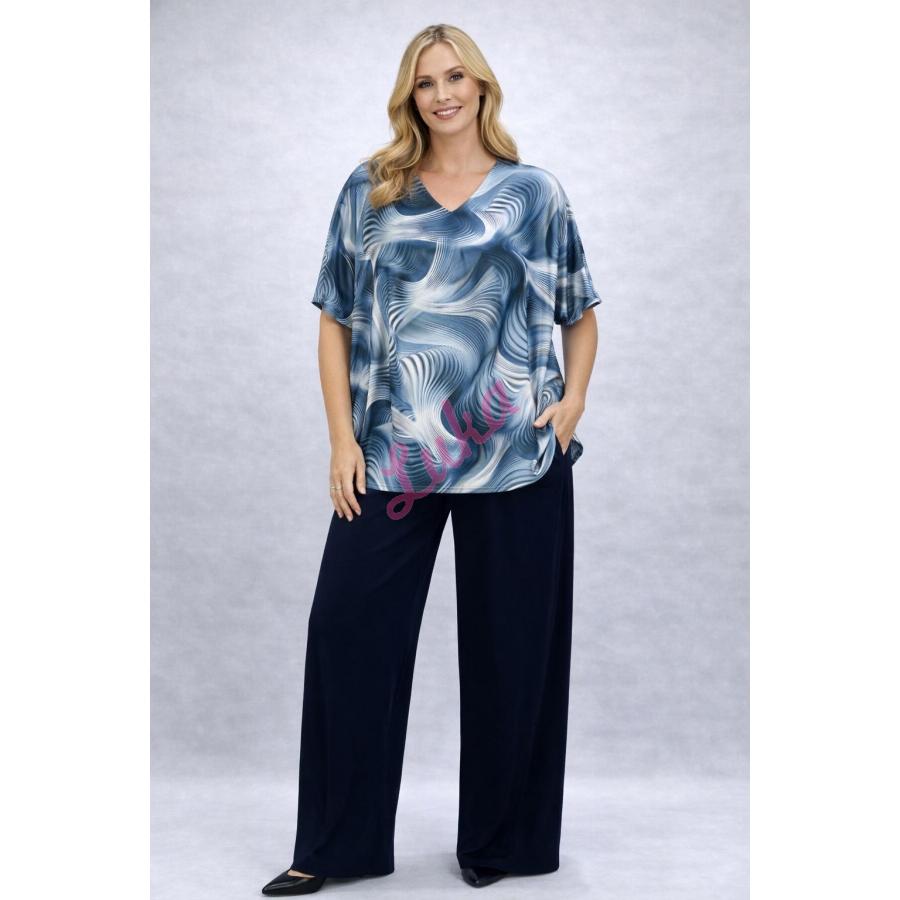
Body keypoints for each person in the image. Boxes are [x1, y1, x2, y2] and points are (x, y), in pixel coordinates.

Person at [262, 22, 601, 896]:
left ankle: (504, 843)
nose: (442, 94)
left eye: (455, 77)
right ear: (408, 97)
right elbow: (334, 321)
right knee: (348, 633)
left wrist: (570, 406)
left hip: (517, 456)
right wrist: (342, 439)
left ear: (481, 85)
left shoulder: (535, 194)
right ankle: (334, 845)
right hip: (394, 457)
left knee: (515, 649)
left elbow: (579, 311)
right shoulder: (373, 189)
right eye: (425, 82)